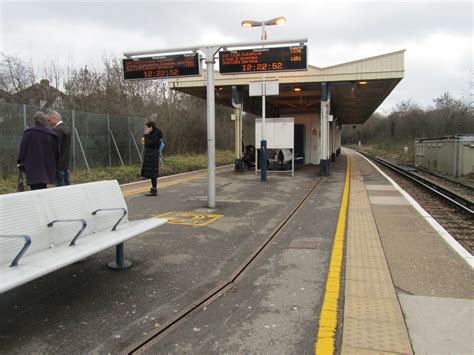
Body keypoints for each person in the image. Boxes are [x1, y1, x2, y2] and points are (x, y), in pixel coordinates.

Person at [17, 111, 59, 190]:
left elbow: (23, 149)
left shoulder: (28, 133)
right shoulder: (52, 134)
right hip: (47, 165)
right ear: (45, 120)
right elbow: (56, 152)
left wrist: (19, 162)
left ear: (35, 120)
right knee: (43, 185)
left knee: (35, 187)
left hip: (32, 165)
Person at [47, 110, 72, 186]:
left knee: (60, 185)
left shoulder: (57, 130)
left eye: (49, 120)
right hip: (65, 162)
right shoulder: (67, 128)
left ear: (54, 118)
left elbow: (55, 148)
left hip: (58, 163)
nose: (48, 123)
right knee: (66, 182)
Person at [141, 121, 163, 196]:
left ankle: (154, 190)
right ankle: (153, 189)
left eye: (147, 127)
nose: (145, 129)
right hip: (151, 155)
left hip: (153, 155)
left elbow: (149, 143)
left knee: (153, 173)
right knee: (152, 172)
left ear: (151, 127)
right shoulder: (153, 134)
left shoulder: (155, 135)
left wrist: (146, 135)